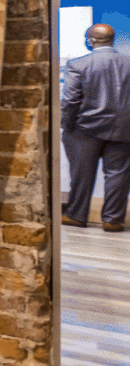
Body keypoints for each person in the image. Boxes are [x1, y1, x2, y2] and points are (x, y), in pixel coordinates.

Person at [62, 24, 130, 232]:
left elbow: (70, 100)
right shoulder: (128, 64)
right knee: (118, 175)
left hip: (85, 129)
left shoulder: (79, 64)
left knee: (82, 175)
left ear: (91, 41)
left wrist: (66, 125)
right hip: (123, 129)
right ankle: (113, 220)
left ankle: (76, 215)